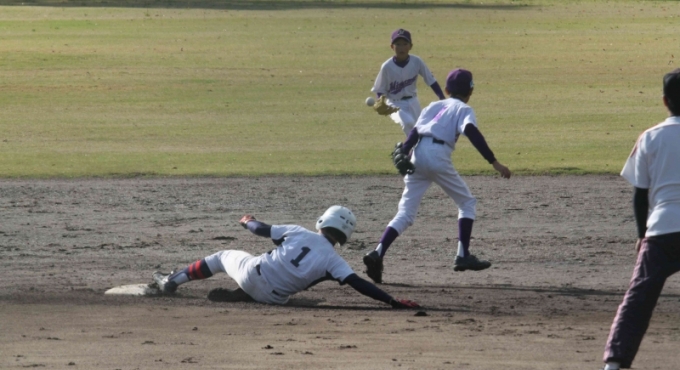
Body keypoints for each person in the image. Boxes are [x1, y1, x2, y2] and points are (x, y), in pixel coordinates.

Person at [363, 68, 512, 284]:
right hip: (437, 155)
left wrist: (405, 151)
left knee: (405, 213)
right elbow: (472, 132)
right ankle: (463, 255)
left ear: (446, 90)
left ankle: (378, 252)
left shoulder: (433, 105)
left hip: (417, 155)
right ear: (470, 91)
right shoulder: (464, 109)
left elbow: (415, 132)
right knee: (467, 203)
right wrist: (494, 162)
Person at [586, 69, 680, 370]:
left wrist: (642, 236)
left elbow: (640, 195)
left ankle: (612, 368)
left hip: (661, 231)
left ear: (664, 101)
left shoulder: (651, 137)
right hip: (663, 229)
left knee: (637, 299)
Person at [152, 206, 420, 309]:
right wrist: (391, 301)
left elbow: (261, 230)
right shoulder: (335, 262)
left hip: (251, 274)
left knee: (222, 257)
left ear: (323, 220)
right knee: (309, 289)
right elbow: (359, 284)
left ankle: (172, 281)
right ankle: (247, 295)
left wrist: (247, 221)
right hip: (274, 299)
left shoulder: (299, 232)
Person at [371, 28, 445, 136]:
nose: (401, 48)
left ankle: (411, 147)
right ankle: (410, 146)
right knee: (408, 123)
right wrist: (379, 101)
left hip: (414, 102)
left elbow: (431, 80)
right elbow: (380, 89)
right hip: (395, 104)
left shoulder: (417, 61)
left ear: (411, 46)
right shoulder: (387, 66)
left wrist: (442, 99)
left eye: (405, 44)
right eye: (398, 44)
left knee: (421, 131)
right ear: (392, 46)